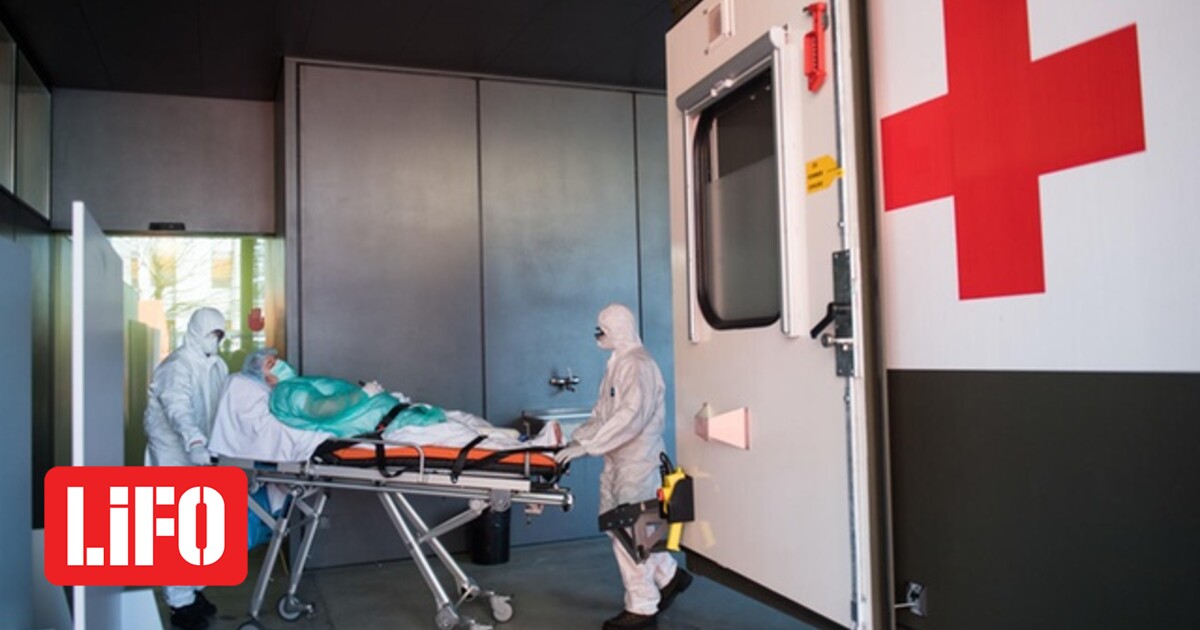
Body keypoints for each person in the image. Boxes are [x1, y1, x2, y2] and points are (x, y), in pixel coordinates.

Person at [554, 303, 692, 630]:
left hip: (638, 463)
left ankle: (642, 607)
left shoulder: (637, 366)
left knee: (630, 532)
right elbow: (603, 415)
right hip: (618, 461)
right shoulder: (618, 363)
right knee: (621, 527)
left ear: (618, 330)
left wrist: (589, 446)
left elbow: (630, 418)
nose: (598, 335)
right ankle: (669, 576)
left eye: (603, 329)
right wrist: (574, 440)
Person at [142, 307, 229, 630]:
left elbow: (221, 406)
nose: (214, 340)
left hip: (202, 455)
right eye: (210, 333)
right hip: (173, 455)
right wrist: (193, 440)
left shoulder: (217, 365)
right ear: (195, 331)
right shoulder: (176, 367)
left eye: (219, 334)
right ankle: (179, 604)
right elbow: (177, 407)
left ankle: (194, 590)